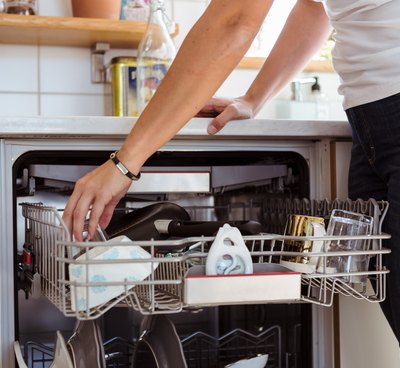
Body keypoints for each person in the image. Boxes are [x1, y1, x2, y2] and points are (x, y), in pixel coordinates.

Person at [63, 0, 400, 343]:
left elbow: (234, 20)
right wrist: (254, 97)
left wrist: (125, 162)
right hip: (371, 123)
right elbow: (316, 7)